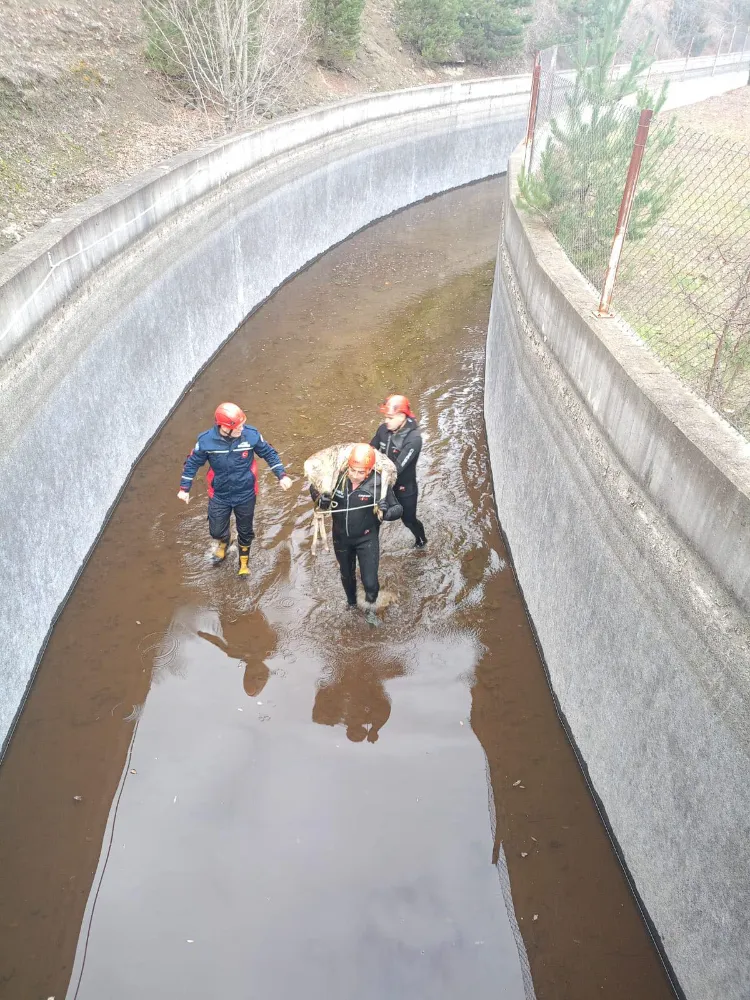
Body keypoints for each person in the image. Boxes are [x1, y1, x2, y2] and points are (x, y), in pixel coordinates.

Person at [178, 402, 292, 576]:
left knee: (245, 531)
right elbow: (193, 462)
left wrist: (281, 475)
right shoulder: (206, 441)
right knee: (215, 530)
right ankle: (224, 542)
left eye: (242, 424)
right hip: (219, 494)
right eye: (238, 426)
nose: (242, 428)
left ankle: (243, 562)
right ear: (224, 427)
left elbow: (269, 453)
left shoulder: (251, 436)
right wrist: (184, 488)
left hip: (245, 493)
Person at [312, 443, 402, 622]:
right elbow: (314, 489)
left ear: (369, 471)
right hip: (340, 537)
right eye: (353, 470)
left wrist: (386, 512)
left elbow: (398, 509)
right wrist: (321, 500)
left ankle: (370, 611)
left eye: (361, 472)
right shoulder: (335, 477)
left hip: (366, 539)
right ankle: (351, 605)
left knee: (370, 582)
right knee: (346, 575)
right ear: (348, 466)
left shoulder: (378, 483)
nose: (355, 475)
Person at [371, 394, 426, 547]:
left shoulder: (413, 439)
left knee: (408, 520)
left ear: (402, 416)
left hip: (404, 487)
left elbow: (396, 468)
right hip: (382, 483)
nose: (385, 421)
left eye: (390, 417)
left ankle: (421, 541)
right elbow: (370, 450)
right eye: (386, 417)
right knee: (374, 518)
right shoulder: (383, 430)